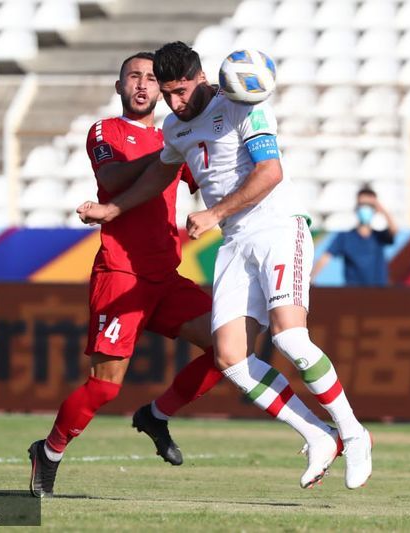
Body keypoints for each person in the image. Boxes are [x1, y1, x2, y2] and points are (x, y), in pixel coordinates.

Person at [77, 42, 373, 490]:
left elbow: (270, 171)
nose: (174, 102)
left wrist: (213, 214)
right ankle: (318, 434)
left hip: (276, 228)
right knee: (232, 359)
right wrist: (114, 209)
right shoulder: (175, 127)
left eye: (180, 91)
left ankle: (353, 433)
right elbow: (161, 172)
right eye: (168, 93)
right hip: (235, 242)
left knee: (291, 337)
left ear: (199, 77)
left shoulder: (239, 106)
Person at [28, 52, 225, 498]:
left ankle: (157, 415)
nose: (141, 84)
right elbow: (114, 180)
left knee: (228, 347)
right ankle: (49, 451)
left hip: (166, 276)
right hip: (120, 273)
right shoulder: (106, 132)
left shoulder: (174, 135)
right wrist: (170, 150)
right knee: (104, 387)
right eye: (132, 77)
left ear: (163, 89)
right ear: (119, 87)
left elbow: (208, 177)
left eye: (151, 79)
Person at [310, 187, 398, 287]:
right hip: (354, 293)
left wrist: (380, 207)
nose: (365, 209)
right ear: (356, 208)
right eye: (362, 205)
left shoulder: (379, 236)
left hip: (378, 293)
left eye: (369, 206)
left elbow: (394, 229)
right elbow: (325, 258)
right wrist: (311, 278)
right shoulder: (345, 237)